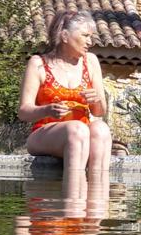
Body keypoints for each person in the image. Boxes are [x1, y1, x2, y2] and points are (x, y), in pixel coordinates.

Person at [18, 10, 112, 171]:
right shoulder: (38, 64)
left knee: (101, 129)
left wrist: (96, 100)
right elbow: (23, 112)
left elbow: (99, 112)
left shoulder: (90, 61)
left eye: (90, 36)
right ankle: (73, 194)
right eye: (85, 36)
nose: (90, 42)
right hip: (44, 132)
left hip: (82, 134)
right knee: (77, 129)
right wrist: (47, 110)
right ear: (65, 36)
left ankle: (98, 193)